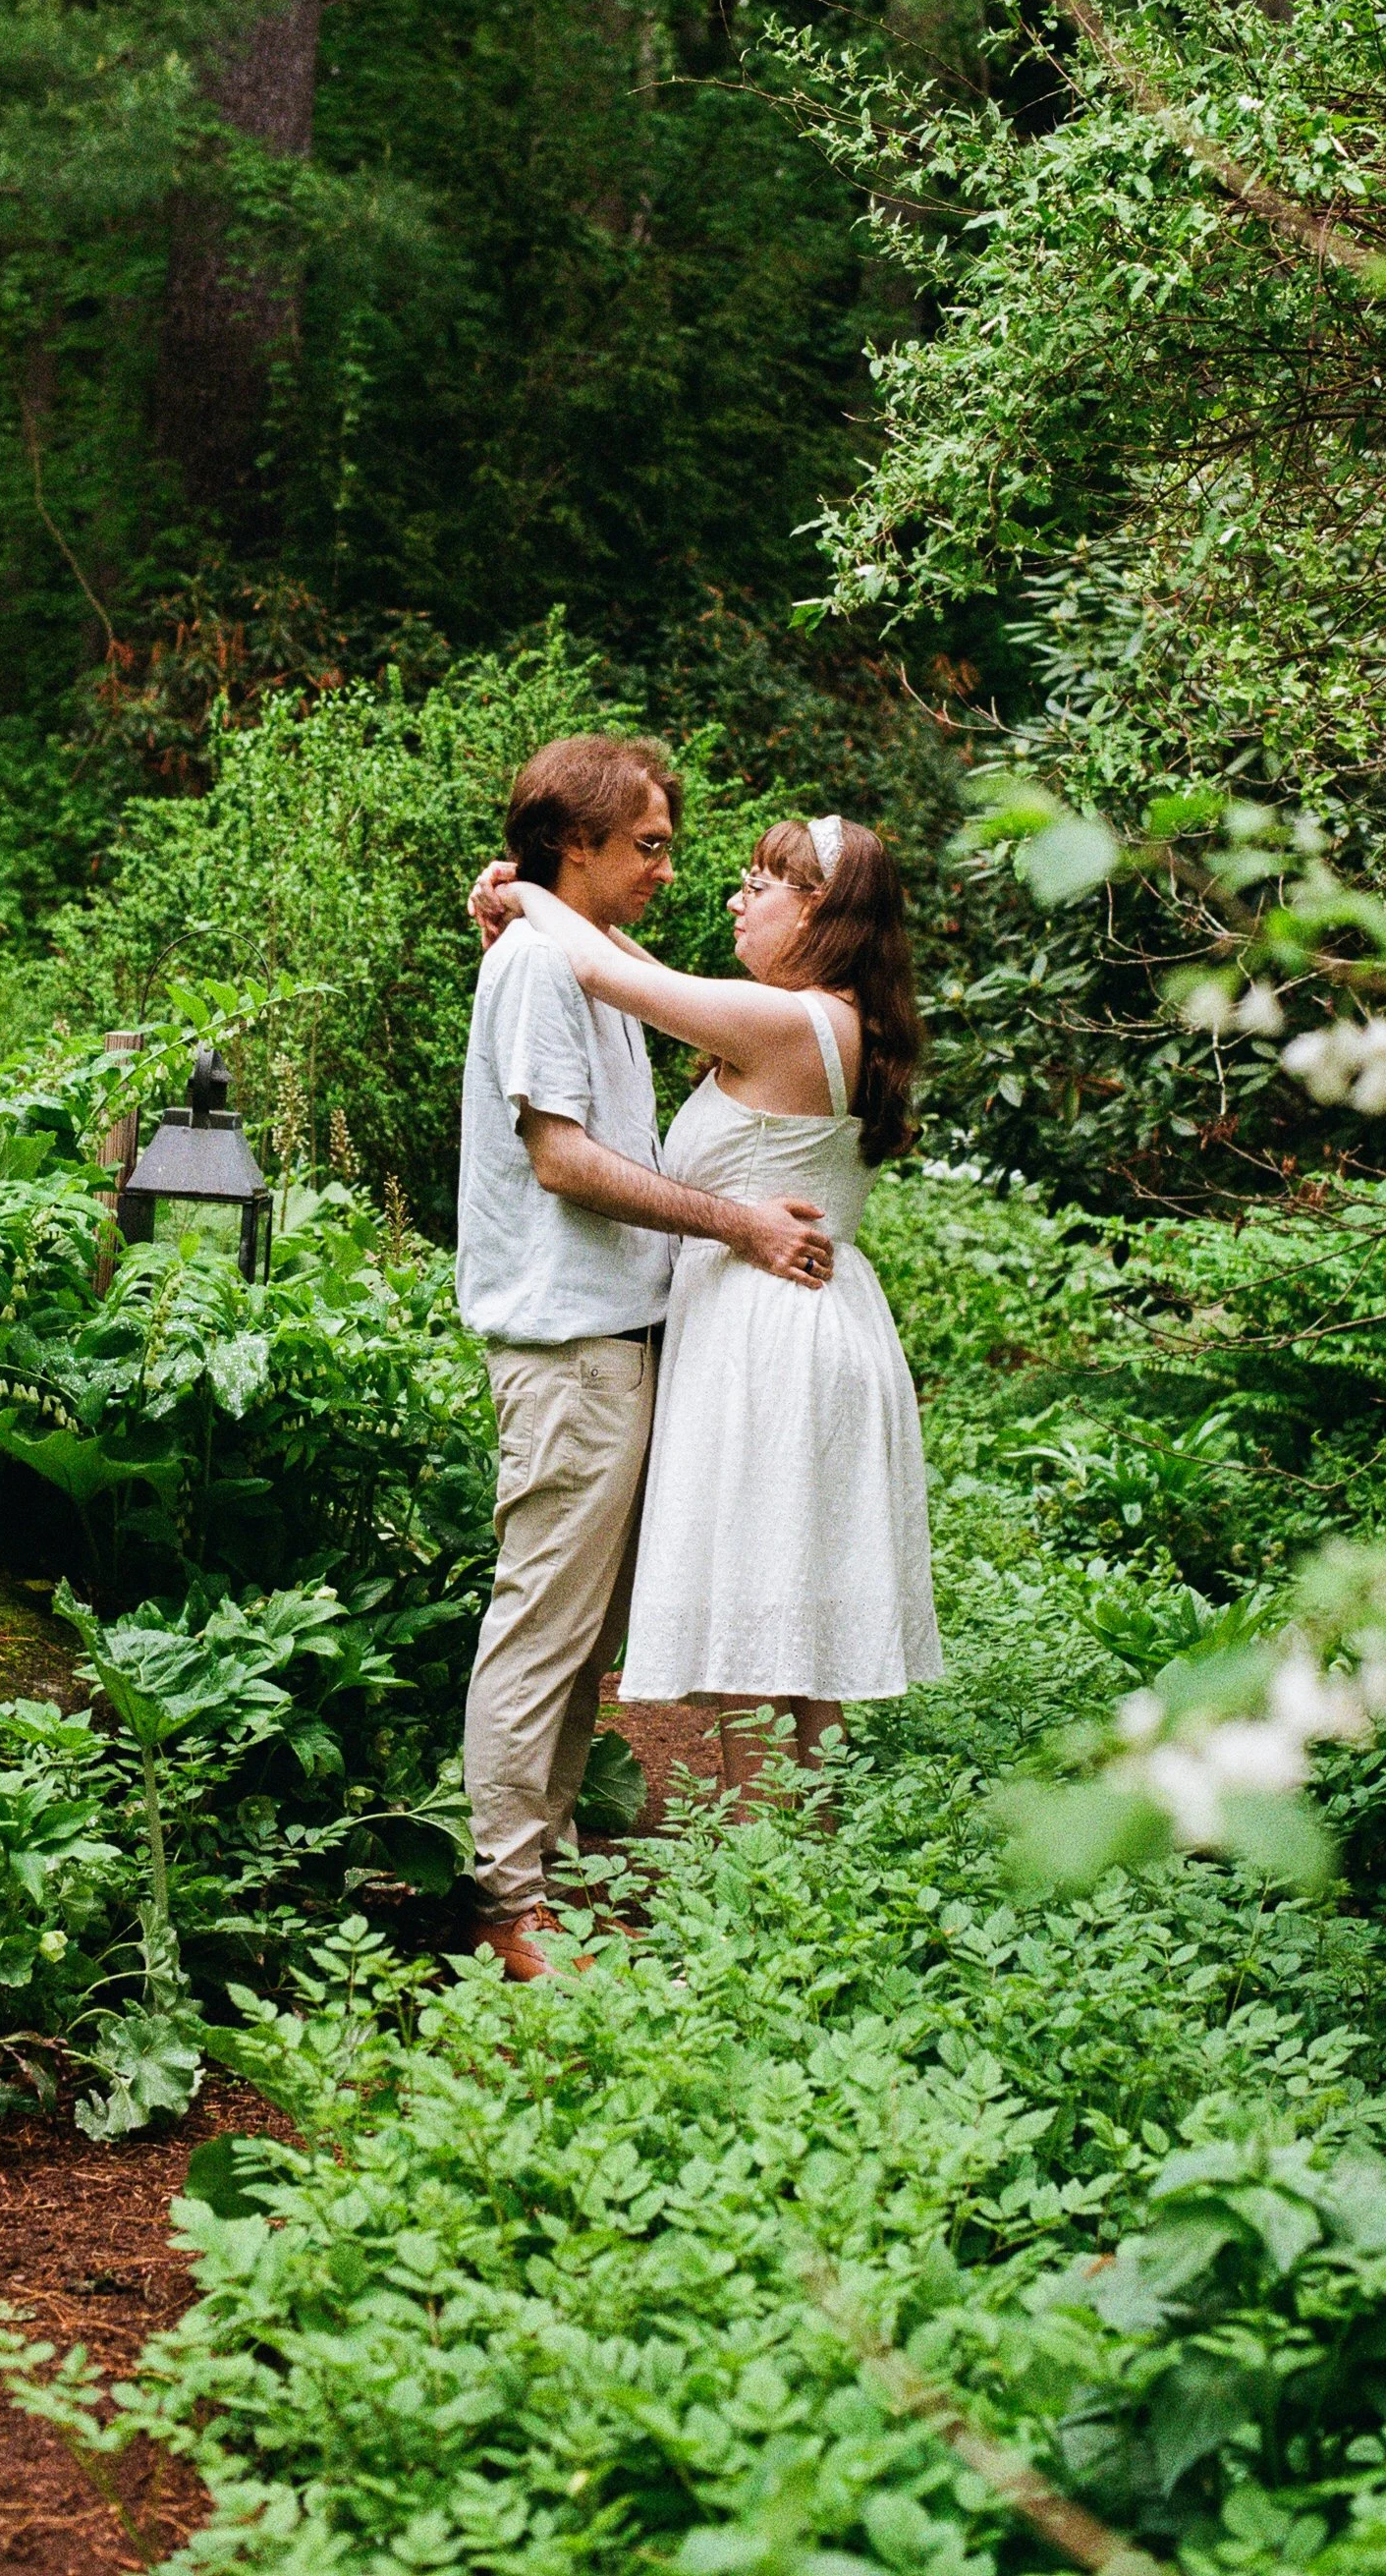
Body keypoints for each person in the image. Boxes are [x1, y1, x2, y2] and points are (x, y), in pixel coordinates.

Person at [457, 736, 838, 1982]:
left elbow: (636, 992)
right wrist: (736, 1220)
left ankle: (541, 1871)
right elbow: (562, 1160)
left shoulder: (577, 960)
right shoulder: (535, 968)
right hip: (566, 1347)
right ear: (578, 845)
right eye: (650, 847)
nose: (668, 868)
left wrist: (508, 897)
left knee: (579, 1637)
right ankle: (511, 1904)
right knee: (542, 1626)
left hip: (618, 1345)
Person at [472, 809, 940, 1815]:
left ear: (817, 913)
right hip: (796, 1326)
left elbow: (613, 978)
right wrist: (543, 903)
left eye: (760, 884)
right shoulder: (813, 1015)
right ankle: (808, 1880)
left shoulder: (790, 1022)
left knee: (754, 1632)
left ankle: (764, 1890)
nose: (735, 898)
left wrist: (524, 893)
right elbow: (635, 969)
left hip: (772, 1340)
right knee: (786, 1642)